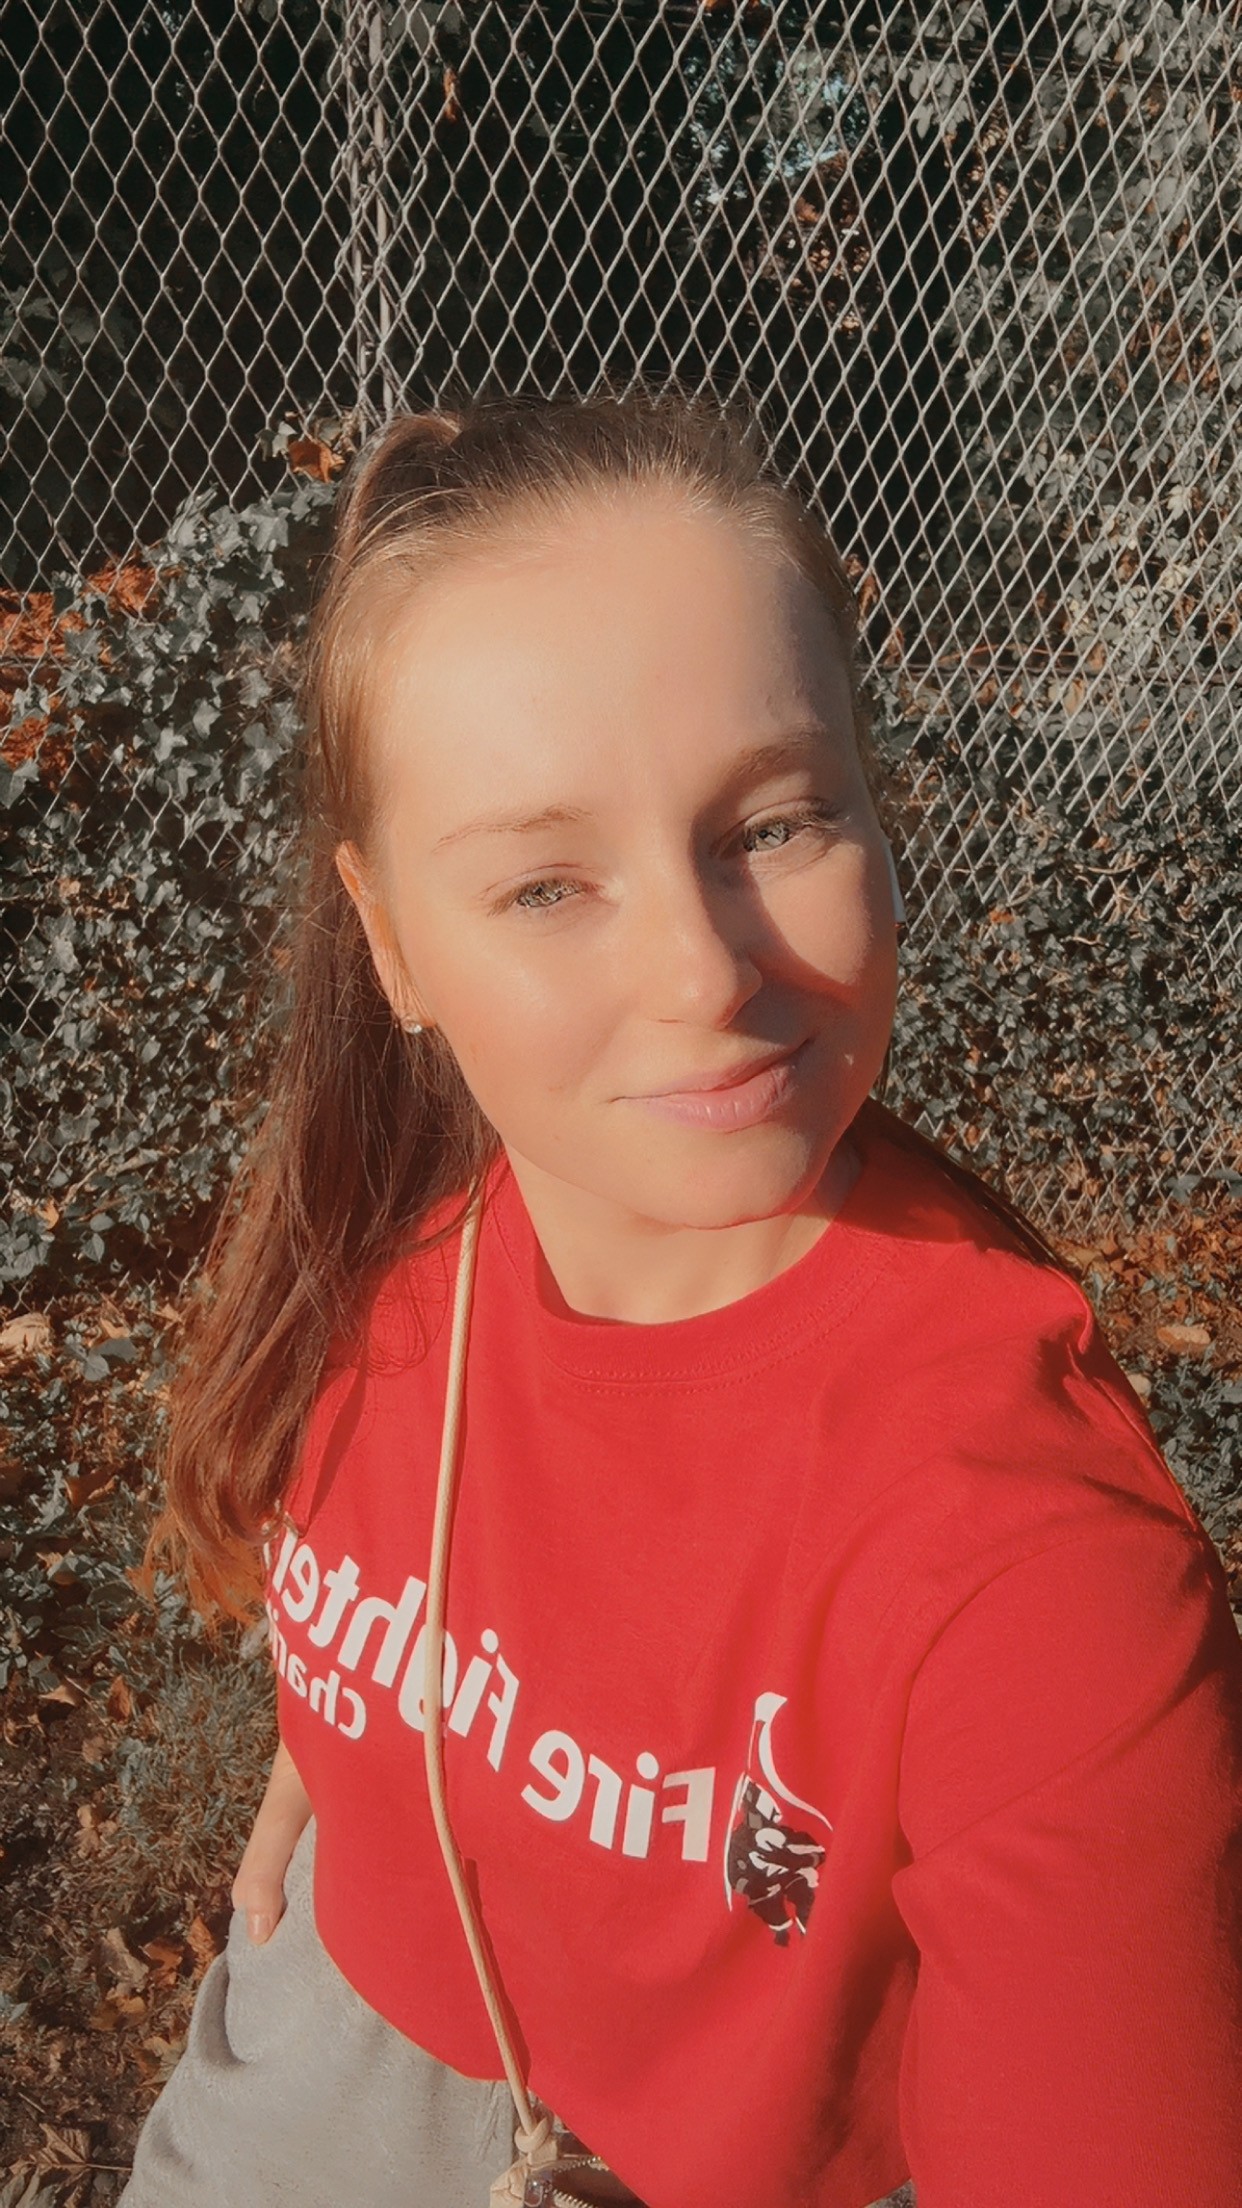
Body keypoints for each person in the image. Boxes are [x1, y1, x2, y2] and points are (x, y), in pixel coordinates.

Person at [119, 388, 1242, 2208]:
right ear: (392, 941)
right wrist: (376, 1736)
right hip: (326, 2028)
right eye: (548, 884)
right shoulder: (412, 1221)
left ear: (877, 806)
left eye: (774, 824)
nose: (704, 973)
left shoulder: (1037, 1585)